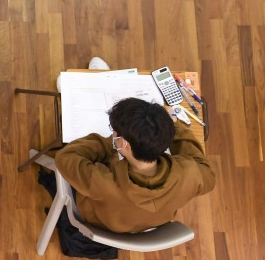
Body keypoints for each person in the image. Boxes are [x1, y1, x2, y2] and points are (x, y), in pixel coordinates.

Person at [53, 95, 216, 234]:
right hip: (144, 226)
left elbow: (65, 157)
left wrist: (109, 143)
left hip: (101, 222)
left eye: (113, 130)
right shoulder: (190, 175)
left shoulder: (102, 182)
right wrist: (172, 125)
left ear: (123, 143)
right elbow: (207, 174)